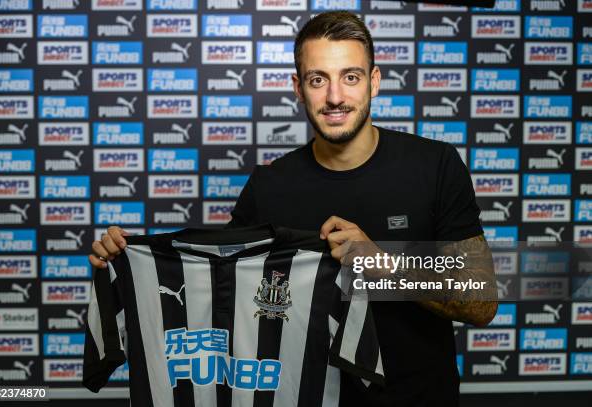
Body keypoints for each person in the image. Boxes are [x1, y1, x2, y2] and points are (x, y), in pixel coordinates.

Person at [89, 11, 498, 407]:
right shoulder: (269, 186)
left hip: (418, 398)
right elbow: (218, 297)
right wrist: (126, 261)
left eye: (350, 77)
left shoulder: (435, 166)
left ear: (374, 82)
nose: (335, 97)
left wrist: (382, 266)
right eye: (318, 79)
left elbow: (481, 301)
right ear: (298, 87)